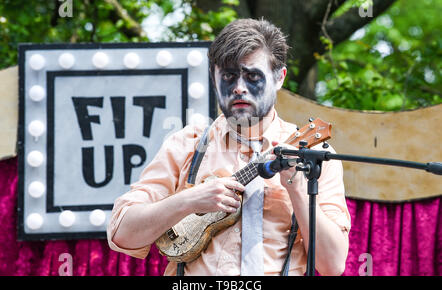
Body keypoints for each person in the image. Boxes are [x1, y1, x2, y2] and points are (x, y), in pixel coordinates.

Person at [107, 18, 351, 276]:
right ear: (214, 78)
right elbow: (123, 235)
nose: (239, 88)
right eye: (228, 76)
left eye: (253, 76)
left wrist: (298, 191)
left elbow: (332, 265)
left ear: (279, 78)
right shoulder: (186, 144)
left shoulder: (313, 156)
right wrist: (189, 200)